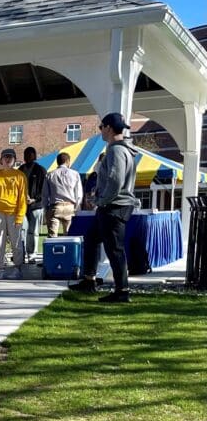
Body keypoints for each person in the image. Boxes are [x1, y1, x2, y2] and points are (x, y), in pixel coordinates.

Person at [70, 112, 139, 303]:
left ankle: (122, 291)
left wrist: (101, 201)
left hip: (114, 206)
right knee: (92, 238)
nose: (100, 130)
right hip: (113, 204)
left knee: (114, 249)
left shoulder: (116, 150)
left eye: (101, 127)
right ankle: (89, 280)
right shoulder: (121, 149)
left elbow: (115, 180)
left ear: (108, 128)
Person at [0, 149, 28, 279]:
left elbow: (22, 198)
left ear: (15, 160)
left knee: (16, 242)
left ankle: (17, 267)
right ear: (1, 160)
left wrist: (20, 216)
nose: (8, 159)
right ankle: (0, 268)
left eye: (11, 157)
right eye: (5, 157)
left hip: (14, 212)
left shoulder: (20, 176)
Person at [41, 152, 83, 237]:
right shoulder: (75, 174)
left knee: (52, 236)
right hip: (70, 206)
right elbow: (78, 193)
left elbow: (45, 194)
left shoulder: (50, 174)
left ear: (57, 162)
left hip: (55, 206)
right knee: (70, 235)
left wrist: (46, 208)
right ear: (68, 161)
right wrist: (77, 207)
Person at [19, 147, 47, 263]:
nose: (29, 156)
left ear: (34, 156)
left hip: (36, 205)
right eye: (27, 154)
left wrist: (34, 199)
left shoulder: (40, 170)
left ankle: (32, 254)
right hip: (22, 205)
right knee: (22, 230)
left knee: (33, 231)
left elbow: (44, 189)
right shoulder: (20, 170)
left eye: (31, 154)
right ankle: (21, 253)